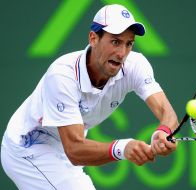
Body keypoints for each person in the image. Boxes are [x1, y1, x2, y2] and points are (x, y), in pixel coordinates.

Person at [1, 4, 178, 190]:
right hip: (28, 148)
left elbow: (167, 112)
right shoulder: (63, 75)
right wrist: (122, 148)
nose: (122, 53)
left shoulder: (135, 65)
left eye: (129, 43)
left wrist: (163, 131)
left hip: (65, 150)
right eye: (115, 42)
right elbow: (75, 150)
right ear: (93, 38)